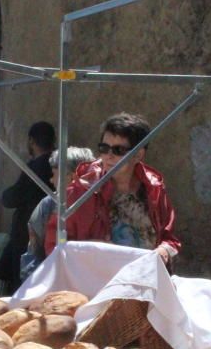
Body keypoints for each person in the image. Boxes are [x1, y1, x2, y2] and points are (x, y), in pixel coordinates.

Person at [44, 112, 181, 265]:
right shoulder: (80, 192)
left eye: (118, 151)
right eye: (104, 148)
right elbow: (54, 247)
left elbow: (170, 240)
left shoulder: (154, 189)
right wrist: (92, 248)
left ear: (138, 155)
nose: (109, 156)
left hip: (145, 279)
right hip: (96, 282)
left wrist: (163, 251)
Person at [0, 120, 55, 293]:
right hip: (47, 232)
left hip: (28, 233)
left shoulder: (36, 167)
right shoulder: (54, 163)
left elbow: (13, 197)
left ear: (31, 141)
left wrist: (5, 195)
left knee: (22, 285)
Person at [20, 146, 95, 280]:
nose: (51, 180)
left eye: (55, 174)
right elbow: (33, 256)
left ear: (71, 177)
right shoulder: (48, 205)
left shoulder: (101, 201)